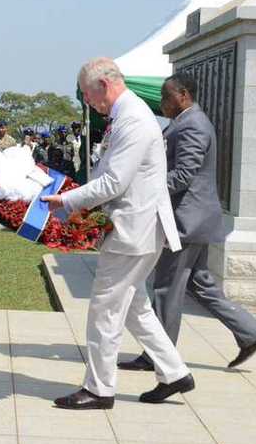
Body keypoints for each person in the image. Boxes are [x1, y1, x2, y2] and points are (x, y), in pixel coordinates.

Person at [42, 58, 193, 410]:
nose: (88, 102)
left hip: (133, 229)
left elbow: (114, 181)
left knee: (104, 310)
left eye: (87, 95)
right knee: (135, 306)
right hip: (135, 226)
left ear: (104, 86)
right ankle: (174, 373)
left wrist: (66, 200)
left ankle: (99, 388)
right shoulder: (126, 115)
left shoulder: (134, 119)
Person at [119, 75, 256, 373]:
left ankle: (157, 355)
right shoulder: (185, 123)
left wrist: (145, 189)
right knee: (200, 285)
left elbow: (184, 173)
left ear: (183, 95)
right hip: (195, 219)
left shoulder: (193, 125)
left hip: (186, 221)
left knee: (166, 287)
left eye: (166, 97)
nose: (162, 103)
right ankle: (251, 334)